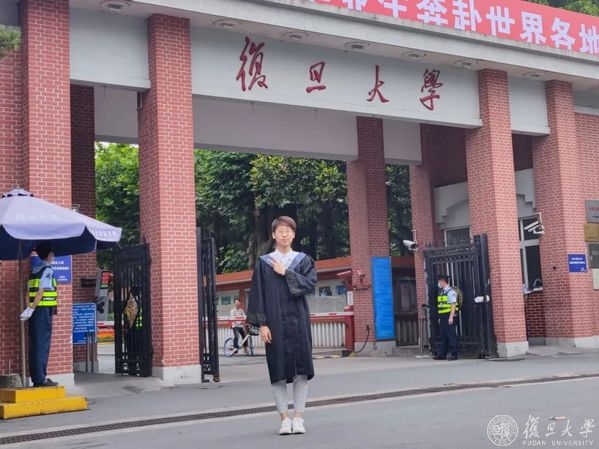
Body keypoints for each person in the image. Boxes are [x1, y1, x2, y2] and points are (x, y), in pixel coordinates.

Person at [247, 216, 317, 436]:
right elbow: (258, 294)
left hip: (299, 322)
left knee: (301, 372)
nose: (284, 234)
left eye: (288, 230)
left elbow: (309, 285)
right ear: (274, 235)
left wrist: (286, 272)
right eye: (280, 231)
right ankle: (284, 419)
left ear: (293, 235)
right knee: (277, 371)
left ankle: (299, 417)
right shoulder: (264, 263)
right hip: (275, 323)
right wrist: (263, 324)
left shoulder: (303, 260)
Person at [20, 243, 59, 387]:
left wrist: (29, 309)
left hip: (34, 311)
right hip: (43, 310)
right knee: (42, 344)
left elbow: (27, 291)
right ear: (48, 255)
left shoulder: (34, 270)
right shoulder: (47, 270)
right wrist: (33, 307)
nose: (53, 256)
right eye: (52, 254)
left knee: (35, 343)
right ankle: (40, 379)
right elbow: (41, 291)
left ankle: (38, 377)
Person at [435, 274, 458, 361]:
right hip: (443, 316)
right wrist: (440, 318)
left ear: (443, 281)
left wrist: (451, 317)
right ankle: (442, 354)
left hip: (449, 315)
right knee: (443, 336)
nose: (438, 283)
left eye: (439, 282)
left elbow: (453, 305)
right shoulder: (442, 292)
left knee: (451, 335)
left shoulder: (451, 292)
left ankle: (453, 354)